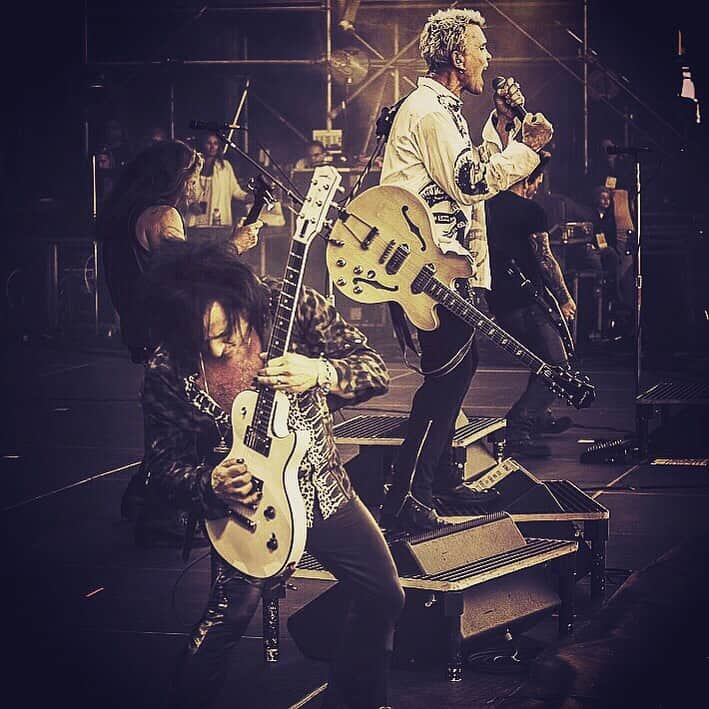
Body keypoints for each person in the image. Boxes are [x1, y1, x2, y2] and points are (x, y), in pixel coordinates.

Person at [139, 238, 404, 709]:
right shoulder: (167, 369)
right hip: (244, 511)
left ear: (240, 298)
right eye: (206, 342)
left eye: (227, 330)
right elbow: (161, 466)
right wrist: (210, 482)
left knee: (385, 593)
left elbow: (374, 369)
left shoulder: (290, 305)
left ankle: (356, 700)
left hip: (322, 490)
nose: (221, 347)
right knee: (226, 623)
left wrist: (319, 372)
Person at [377, 7, 553, 532]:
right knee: (444, 380)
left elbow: (465, 166)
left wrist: (501, 127)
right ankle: (408, 496)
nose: (488, 57)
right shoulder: (430, 111)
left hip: (443, 264)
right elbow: (472, 181)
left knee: (457, 373)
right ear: (458, 56)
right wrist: (528, 149)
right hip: (427, 268)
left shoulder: (443, 108)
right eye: (481, 48)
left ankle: (437, 481)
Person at [96, 140, 262, 547]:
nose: (194, 188)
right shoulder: (163, 215)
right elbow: (186, 272)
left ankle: (141, 497)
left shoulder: (130, 214)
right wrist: (236, 245)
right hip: (163, 330)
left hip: (140, 326)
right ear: (174, 179)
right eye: (191, 178)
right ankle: (157, 512)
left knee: (170, 417)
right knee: (184, 421)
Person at [486, 151, 576, 458]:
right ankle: (519, 426)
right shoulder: (532, 211)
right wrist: (564, 298)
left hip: (499, 299)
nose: (537, 186)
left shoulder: (485, 207)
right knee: (558, 367)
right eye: (536, 180)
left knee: (541, 359)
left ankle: (538, 415)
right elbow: (545, 259)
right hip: (527, 301)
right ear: (528, 178)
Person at [186, 132, 250, 227]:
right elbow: (184, 192)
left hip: (218, 220)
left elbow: (236, 191)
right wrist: (191, 204)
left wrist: (250, 197)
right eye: (209, 143)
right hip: (195, 221)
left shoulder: (225, 167)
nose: (212, 147)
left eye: (215, 143)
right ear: (202, 144)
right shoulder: (193, 166)